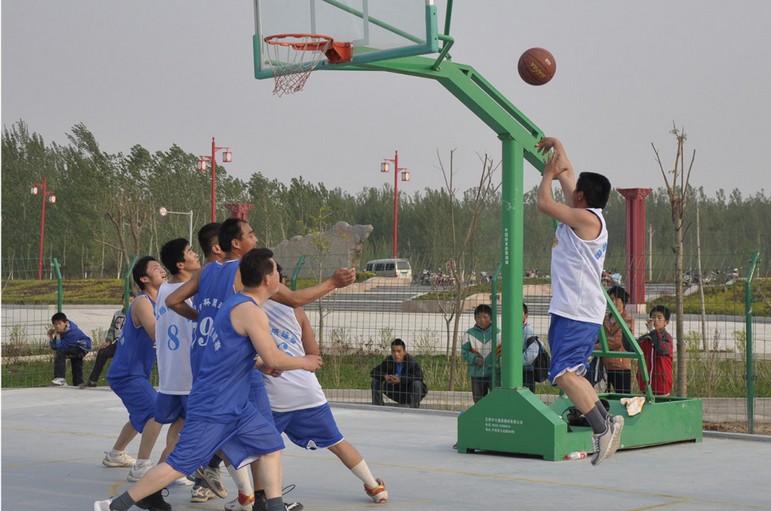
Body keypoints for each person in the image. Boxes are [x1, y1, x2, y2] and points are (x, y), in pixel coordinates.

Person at [94, 248, 323, 511]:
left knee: (271, 445)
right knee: (179, 463)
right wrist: (305, 361)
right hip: (215, 403)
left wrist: (260, 365)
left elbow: (232, 352)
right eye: (276, 273)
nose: (280, 279)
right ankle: (113, 506)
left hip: (236, 404)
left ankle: (274, 506)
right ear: (267, 280)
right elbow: (274, 358)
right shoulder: (249, 310)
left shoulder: (235, 305)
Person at [255, 265, 388, 506]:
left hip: (274, 395)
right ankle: (375, 486)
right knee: (337, 442)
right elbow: (313, 353)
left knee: (260, 449)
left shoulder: (249, 308)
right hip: (307, 392)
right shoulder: (296, 311)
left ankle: (250, 496)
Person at [535, 136, 623, 466]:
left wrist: (548, 174)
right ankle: (605, 420)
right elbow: (568, 173)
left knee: (563, 374)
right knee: (570, 372)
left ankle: (603, 427)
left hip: (577, 309)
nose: (570, 189)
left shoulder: (587, 219)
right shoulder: (584, 213)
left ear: (582, 197)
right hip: (573, 308)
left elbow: (544, 202)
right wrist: (557, 145)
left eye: (575, 190)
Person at [105, 256, 167, 486]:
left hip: (135, 372)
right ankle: (142, 467)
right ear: (144, 279)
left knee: (140, 414)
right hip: (126, 373)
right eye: (156, 268)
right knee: (156, 412)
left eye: (161, 266)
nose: (162, 270)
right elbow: (156, 333)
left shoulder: (160, 301)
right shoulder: (142, 302)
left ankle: (115, 454)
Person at [154, 238, 202, 486]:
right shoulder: (190, 290)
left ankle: (169, 474)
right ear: (180, 264)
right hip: (188, 372)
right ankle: (158, 477)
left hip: (170, 372)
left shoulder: (163, 289)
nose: (196, 255)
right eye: (191, 252)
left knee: (178, 423)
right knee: (196, 430)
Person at [80, 293, 133, 388]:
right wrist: (108, 340)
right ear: (122, 301)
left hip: (130, 343)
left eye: (131, 301)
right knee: (102, 352)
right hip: (118, 342)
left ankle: (128, 382)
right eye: (126, 300)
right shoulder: (117, 314)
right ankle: (92, 380)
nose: (128, 303)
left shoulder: (135, 314)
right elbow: (112, 329)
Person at [624, 305, 673, 396]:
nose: (655, 320)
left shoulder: (667, 338)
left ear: (666, 322)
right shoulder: (646, 338)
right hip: (645, 387)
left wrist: (653, 331)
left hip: (662, 386)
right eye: (653, 317)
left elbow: (661, 349)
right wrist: (626, 331)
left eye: (659, 318)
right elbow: (630, 348)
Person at [597, 285, 635, 394]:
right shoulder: (605, 319)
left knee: (623, 397)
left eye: (617, 299)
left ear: (623, 302)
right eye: (611, 299)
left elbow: (618, 341)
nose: (613, 302)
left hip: (621, 366)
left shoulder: (628, 319)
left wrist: (596, 346)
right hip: (605, 365)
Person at [370, 339, 427, 408]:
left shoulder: (410, 362)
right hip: (394, 391)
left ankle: (414, 410)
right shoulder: (389, 360)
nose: (396, 354)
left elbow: (420, 376)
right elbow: (374, 371)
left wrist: (401, 379)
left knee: (417, 384)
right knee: (375, 380)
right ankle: (377, 407)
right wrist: (385, 376)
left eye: (399, 351)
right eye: (393, 351)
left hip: (408, 393)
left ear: (404, 352)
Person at [461, 304, 499, 402]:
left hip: (494, 374)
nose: (482, 320)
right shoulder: (469, 334)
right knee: (478, 402)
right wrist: (475, 359)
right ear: (474, 318)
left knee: (496, 401)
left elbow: (502, 352)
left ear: (491, 318)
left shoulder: (498, 333)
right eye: (478, 317)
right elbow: (465, 351)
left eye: (485, 317)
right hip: (476, 374)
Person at [48, 312, 92, 386]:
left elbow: (59, 348)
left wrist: (58, 335)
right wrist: (50, 336)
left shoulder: (72, 332)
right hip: (74, 347)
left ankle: (60, 378)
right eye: (55, 324)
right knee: (76, 360)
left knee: (61, 353)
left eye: (59, 323)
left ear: (65, 323)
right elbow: (54, 347)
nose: (57, 326)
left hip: (83, 347)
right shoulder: (61, 331)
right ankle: (78, 383)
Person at [521, 303, 540, 393]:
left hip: (526, 371)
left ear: (526, 315)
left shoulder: (528, 330)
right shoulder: (509, 330)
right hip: (515, 370)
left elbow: (532, 352)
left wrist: (515, 363)